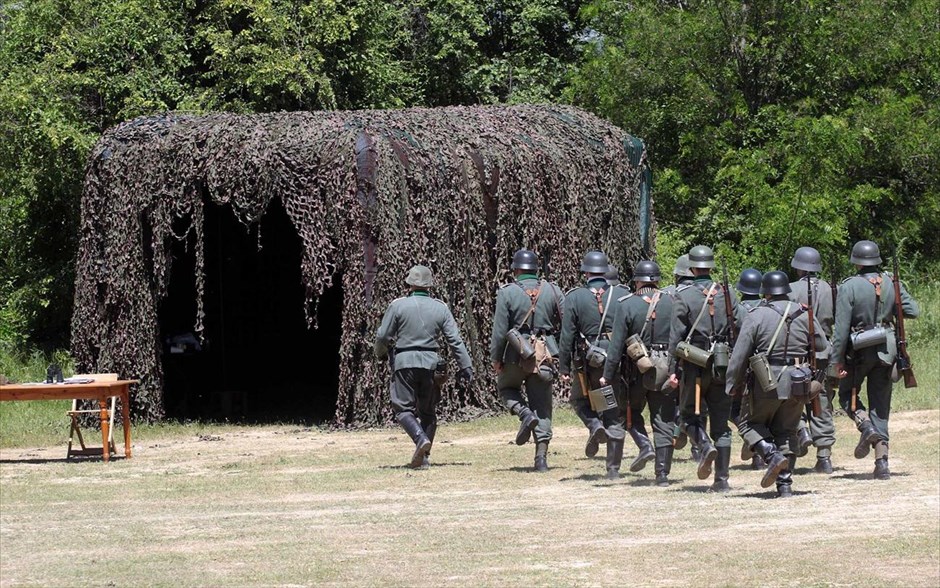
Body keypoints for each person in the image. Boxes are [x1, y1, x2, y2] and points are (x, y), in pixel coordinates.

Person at [725, 271, 830, 497]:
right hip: (798, 382)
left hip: (766, 382)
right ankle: (785, 486)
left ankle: (772, 456)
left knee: (747, 425)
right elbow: (823, 347)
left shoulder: (757, 315)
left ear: (765, 292)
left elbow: (740, 355)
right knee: (787, 432)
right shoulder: (804, 314)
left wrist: (732, 382)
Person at [831, 240, 919, 480]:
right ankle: (882, 463)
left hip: (857, 352)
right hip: (886, 352)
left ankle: (865, 426)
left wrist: (836, 361)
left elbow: (840, 331)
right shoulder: (891, 282)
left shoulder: (848, 287)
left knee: (846, 396)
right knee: (881, 406)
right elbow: (913, 310)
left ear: (856, 262)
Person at [375, 265, 474, 469]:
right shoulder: (441, 308)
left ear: (410, 283)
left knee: (403, 409)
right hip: (431, 365)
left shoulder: (398, 306)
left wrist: (380, 353)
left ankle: (420, 439)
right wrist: (466, 366)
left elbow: (383, 336)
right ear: (429, 285)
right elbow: (455, 340)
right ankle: (425, 458)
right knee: (428, 412)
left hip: (404, 363)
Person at [666, 245, 744, 492]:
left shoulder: (684, 295)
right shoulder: (727, 293)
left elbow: (675, 338)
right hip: (723, 366)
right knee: (722, 424)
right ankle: (721, 480)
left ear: (691, 267)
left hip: (694, 367)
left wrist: (671, 370)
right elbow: (742, 326)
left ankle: (704, 445)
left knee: (688, 417)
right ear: (710, 266)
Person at [601, 261, 677, 485]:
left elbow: (615, 346)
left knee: (630, 415)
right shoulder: (673, 303)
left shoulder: (626, 304)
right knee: (664, 420)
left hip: (635, 373)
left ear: (637, 281)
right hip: (665, 368)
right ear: (657, 280)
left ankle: (641, 449)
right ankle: (662, 475)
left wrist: (608, 373)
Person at [490, 249, 565, 472]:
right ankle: (541, 459)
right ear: (536, 268)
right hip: (544, 357)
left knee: (506, 388)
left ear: (516, 269)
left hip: (515, 355)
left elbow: (500, 330)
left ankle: (524, 414)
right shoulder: (553, 290)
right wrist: (560, 352)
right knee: (543, 406)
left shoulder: (507, 292)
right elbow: (566, 324)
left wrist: (496, 358)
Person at [558, 250, 624, 478]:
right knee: (613, 412)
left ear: (585, 272)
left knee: (578, 400)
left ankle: (595, 426)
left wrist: (563, 368)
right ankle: (613, 470)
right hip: (618, 361)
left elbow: (566, 336)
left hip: (590, 363)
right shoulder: (622, 294)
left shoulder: (574, 297)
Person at [788, 247, 837, 474]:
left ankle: (801, 432)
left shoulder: (790, 289)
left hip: (797, 352)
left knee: (792, 398)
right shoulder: (830, 288)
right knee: (822, 400)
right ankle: (824, 456)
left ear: (798, 267)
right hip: (823, 350)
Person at [663, 254, 696, 454]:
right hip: (697, 355)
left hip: (675, 352)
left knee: (676, 399)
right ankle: (696, 446)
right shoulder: (709, 293)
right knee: (697, 402)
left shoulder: (666, 294)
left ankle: (677, 432)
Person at [734, 268, 765, 470]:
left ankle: (756, 449)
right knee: (760, 411)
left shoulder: (737, 309)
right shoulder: (767, 307)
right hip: (764, 366)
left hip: (743, 364)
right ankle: (758, 454)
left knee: (736, 411)